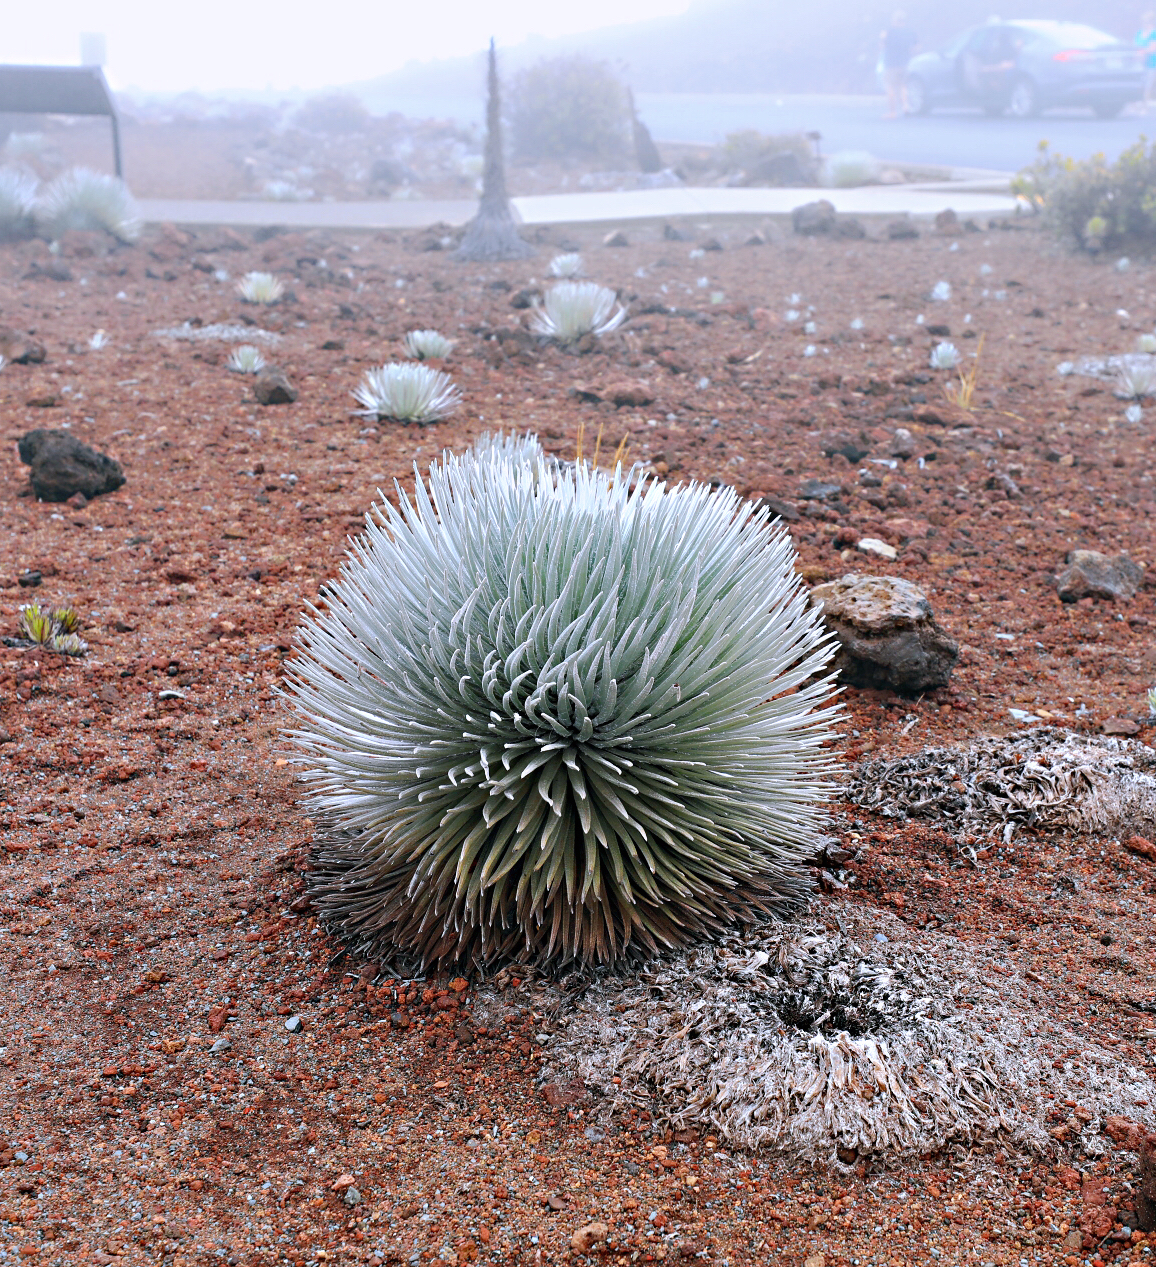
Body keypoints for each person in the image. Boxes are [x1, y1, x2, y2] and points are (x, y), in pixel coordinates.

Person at [881, 11, 918, 118]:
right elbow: (916, 47)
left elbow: (882, 47)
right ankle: (906, 107)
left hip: (891, 64)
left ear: (894, 20)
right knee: (903, 86)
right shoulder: (910, 32)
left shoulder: (889, 31)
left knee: (891, 87)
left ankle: (892, 112)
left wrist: (882, 37)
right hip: (905, 63)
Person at [1136, 12, 1156, 110]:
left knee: (1147, 85)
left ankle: (1144, 106)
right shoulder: (1139, 33)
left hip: (1151, 63)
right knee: (1139, 84)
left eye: (1147, 22)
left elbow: (1153, 48)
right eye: (1144, 22)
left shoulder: (1154, 33)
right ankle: (1136, 104)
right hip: (1139, 63)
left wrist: (1142, 52)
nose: (1145, 24)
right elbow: (1135, 46)